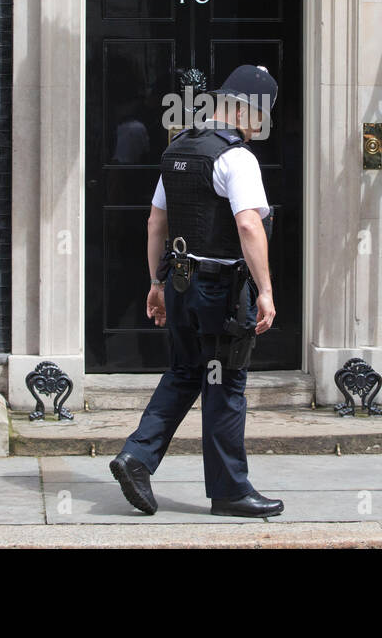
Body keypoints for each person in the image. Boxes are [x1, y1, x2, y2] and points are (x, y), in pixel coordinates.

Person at [109, 65, 283, 518]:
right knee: (225, 383)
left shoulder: (180, 148)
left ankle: (136, 458)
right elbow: (248, 224)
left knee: (187, 371)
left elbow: (155, 223)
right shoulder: (237, 157)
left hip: (181, 283)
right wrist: (265, 290)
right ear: (251, 108)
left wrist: (156, 284)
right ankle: (229, 492)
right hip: (221, 291)